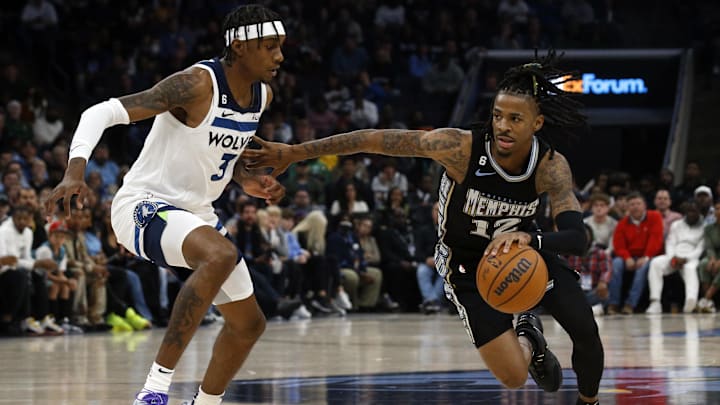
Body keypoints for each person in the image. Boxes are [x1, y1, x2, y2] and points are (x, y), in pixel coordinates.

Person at [245, 51, 604, 405]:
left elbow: (578, 238)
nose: (503, 127)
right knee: (512, 377)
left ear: (536, 123)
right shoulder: (460, 148)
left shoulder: (550, 167)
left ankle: (589, 402)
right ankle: (529, 336)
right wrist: (295, 152)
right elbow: (373, 139)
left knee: (586, 330)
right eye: (497, 116)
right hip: (467, 265)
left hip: (524, 254)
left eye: (515, 119)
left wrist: (531, 237)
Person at [44, 5, 287, 405]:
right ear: (240, 47)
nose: (279, 56)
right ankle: (155, 390)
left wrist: (248, 180)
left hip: (196, 214)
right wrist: (74, 172)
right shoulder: (197, 83)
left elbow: (224, 154)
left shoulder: (262, 95)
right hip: (143, 204)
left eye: (280, 47)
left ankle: (206, 402)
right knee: (221, 254)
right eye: (269, 46)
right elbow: (100, 112)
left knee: (249, 325)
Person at [646, 200, 704, 314]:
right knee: (656, 263)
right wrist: (672, 257)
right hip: (674, 256)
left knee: (690, 269)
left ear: (699, 213)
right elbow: (670, 242)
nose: (691, 214)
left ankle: (690, 301)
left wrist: (686, 259)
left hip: (691, 258)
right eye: (689, 211)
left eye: (694, 211)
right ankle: (655, 302)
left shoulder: (704, 226)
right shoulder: (676, 224)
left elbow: (700, 248)